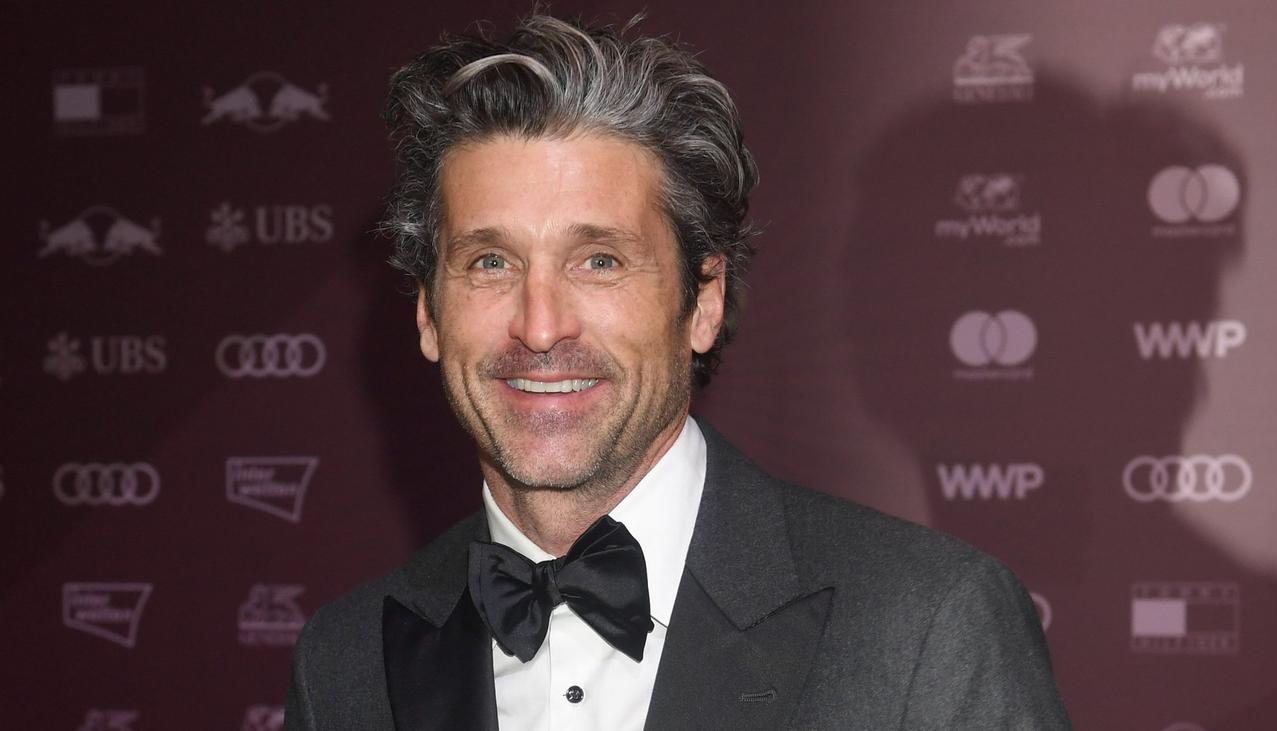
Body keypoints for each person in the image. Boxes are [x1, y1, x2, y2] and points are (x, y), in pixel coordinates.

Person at [284, 13, 1072, 730]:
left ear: (704, 301)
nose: (541, 324)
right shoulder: (345, 660)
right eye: (490, 261)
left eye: (599, 260)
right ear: (429, 312)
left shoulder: (927, 625)